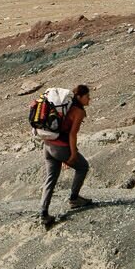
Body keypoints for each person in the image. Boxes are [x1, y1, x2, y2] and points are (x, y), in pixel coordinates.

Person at [39, 84, 93, 229]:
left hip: (48, 145)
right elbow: (72, 134)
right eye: (87, 96)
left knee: (51, 178)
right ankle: (74, 199)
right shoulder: (78, 111)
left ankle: (43, 213)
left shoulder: (65, 108)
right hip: (60, 147)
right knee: (83, 167)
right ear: (79, 97)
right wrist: (72, 154)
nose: (90, 99)